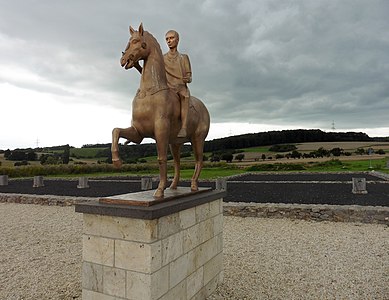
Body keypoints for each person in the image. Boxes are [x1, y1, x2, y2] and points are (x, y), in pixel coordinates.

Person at [163, 30, 192, 138]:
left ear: (177, 40)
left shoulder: (183, 57)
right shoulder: (162, 58)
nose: (169, 41)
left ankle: (184, 127)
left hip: (180, 87)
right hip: (167, 87)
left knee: (185, 96)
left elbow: (189, 75)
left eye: (171, 38)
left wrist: (187, 79)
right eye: (167, 39)